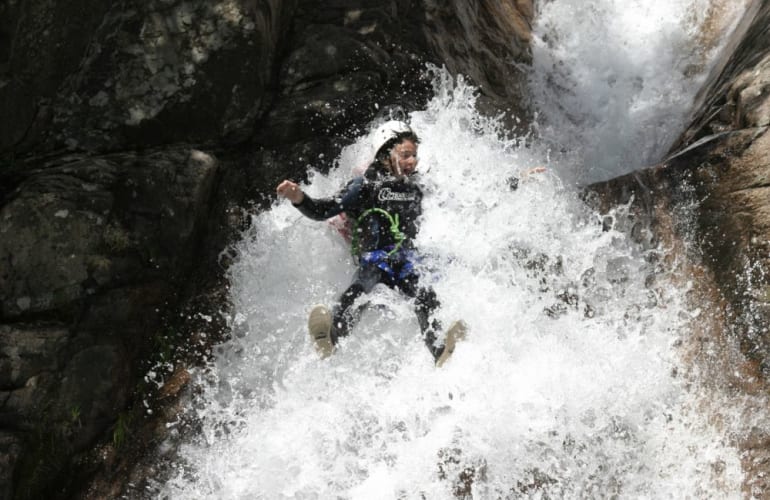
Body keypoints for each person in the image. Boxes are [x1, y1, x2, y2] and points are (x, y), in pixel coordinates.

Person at [276, 120, 466, 366]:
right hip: (375, 262)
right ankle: (331, 336)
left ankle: (439, 348)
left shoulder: (416, 187)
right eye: (405, 155)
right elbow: (324, 210)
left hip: (405, 262)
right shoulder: (364, 186)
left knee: (425, 293)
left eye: (415, 155)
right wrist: (299, 198)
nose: (412, 161)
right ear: (386, 155)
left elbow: (452, 203)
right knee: (362, 285)